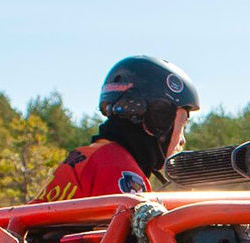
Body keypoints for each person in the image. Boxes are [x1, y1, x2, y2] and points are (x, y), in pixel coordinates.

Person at [39, 55, 202, 201]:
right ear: (158, 119)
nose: (182, 140)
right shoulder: (118, 169)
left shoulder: (88, 157)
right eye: (182, 124)